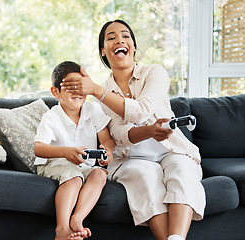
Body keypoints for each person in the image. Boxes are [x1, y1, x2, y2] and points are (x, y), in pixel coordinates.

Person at [60, 20, 205, 240]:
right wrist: (148, 131)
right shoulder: (102, 96)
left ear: (134, 47)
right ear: (103, 51)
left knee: (181, 168)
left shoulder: (154, 73)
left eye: (126, 36)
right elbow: (119, 134)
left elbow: (142, 110)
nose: (120, 40)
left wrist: (97, 91)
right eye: (111, 38)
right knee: (145, 175)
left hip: (171, 150)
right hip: (131, 159)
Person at [34, 61, 115, 240]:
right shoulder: (52, 116)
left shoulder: (93, 109)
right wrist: (65, 152)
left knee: (100, 174)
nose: (78, 92)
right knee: (74, 176)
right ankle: (62, 229)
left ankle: (77, 218)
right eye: (70, 87)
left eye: (81, 86)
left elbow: (107, 139)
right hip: (54, 163)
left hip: (83, 165)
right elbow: (38, 148)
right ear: (56, 92)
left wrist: (107, 151)